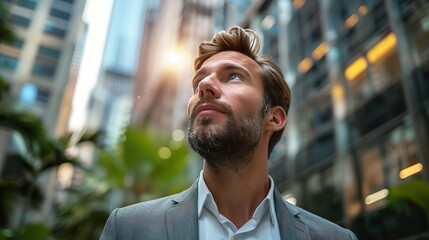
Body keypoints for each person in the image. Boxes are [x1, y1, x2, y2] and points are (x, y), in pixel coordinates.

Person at [100, 26, 357, 240]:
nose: (204, 85)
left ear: (274, 117)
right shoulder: (128, 228)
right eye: (198, 81)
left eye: (233, 76)